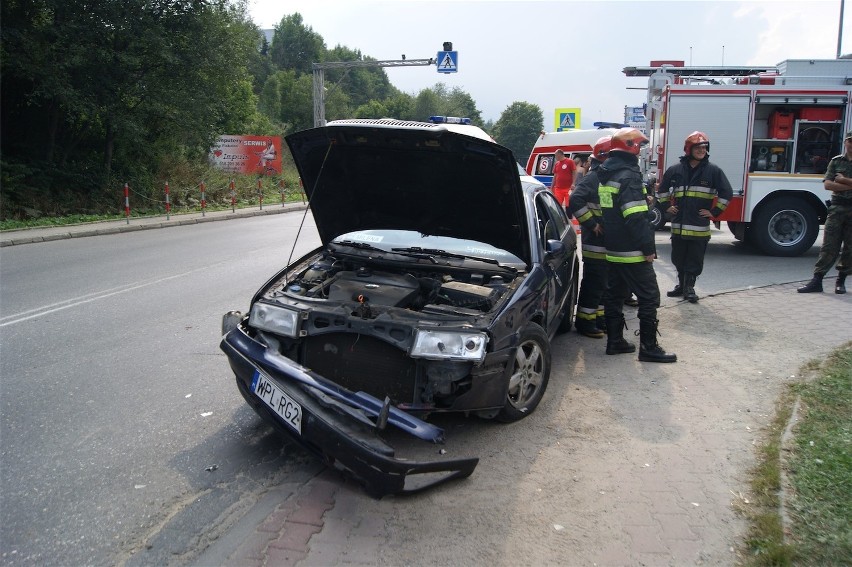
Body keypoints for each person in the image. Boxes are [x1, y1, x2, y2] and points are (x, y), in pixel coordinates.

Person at [597, 128, 676, 363]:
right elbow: (635, 218)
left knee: (614, 296)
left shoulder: (607, 174)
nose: (641, 151)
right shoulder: (628, 176)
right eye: (640, 147)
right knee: (649, 297)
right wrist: (648, 248)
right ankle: (649, 348)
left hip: (614, 249)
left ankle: (615, 342)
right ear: (630, 147)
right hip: (633, 251)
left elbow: (613, 213)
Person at [657, 131, 733, 303]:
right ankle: (681, 285)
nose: (701, 150)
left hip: (698, 227)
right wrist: (667, 207)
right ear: (688, 149)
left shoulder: (713, 171)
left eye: (704, 147)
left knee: (694, 259)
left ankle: (689, 287)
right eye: (698, 147)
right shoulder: (675, 170)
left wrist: (714, 212)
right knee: (678, 258)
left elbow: (726, 193)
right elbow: (662, 190)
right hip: (679, 226)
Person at [797, 131, 852, 294]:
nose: (851, 145)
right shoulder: (836, 161)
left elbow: (835, 182)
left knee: (850, 247)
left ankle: (841, 281)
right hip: (837, 208)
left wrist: (842, 180)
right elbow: (828, 185)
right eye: (850, 141)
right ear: (845, 143)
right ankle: (817, 280)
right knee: (829, 246)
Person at [568, 138, 611, 338]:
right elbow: (575, 200)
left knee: (603, 284)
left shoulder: (604, 177)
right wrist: (592, 224)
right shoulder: (593, 178)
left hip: (604, 244)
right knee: (594, 283)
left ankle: (597, 319)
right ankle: (585, 322)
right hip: (595, 244)